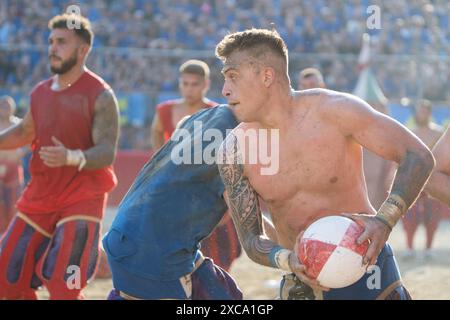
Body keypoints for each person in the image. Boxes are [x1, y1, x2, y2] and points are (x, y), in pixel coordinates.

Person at [215, 28, 434, 300]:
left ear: (267, 76)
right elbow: (251, 240)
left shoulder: (336, 111)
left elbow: (418, 155)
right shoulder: (233, 150)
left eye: (232, 77)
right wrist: (286, 260)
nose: (224, 90)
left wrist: (384, 220)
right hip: (302, 281)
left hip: (369, 269)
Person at [0, 14, 119, 300]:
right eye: (51, 41)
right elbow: (25, 131)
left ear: (83, 50)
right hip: (40, 195)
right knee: (7, 275)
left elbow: (106, 153)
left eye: (62, 42)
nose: (52, 48)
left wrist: (71, 156)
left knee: (62, 280)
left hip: (83, 196)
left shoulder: (101, 95)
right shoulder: (40, 92)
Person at [104, 105, 248, 300]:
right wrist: (285, 257)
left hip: (139, 236)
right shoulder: (220, 141)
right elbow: (249, 229)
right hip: (156, 246)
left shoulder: (197, 122)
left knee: (221, 291)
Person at [150, 59, 241, 272]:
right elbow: (156, 132)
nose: (189, 89)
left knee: (217, 261)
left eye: (194, 84)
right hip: (176, 193)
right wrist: (160, 160)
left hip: (209, 192)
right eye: (185, 83)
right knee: (173, 259)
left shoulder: (218, 113)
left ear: (205, 84)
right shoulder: (165, 110)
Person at [402, 100, 444, 258]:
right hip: (412, 179)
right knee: (409, 216)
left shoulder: (439, 133)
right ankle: (409, 249)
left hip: (433, 180)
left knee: (433, 216)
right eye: (419, 111)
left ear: (429, 113)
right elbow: (402, 156)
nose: (422, 114)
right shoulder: (410, 132)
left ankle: (428, 249)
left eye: (425, 111)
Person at [0, 96, 24, 235]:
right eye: (2, 105)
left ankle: (12, 236)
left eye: (8, 105)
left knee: (14, 203)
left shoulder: (18, 124)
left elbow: (30, 142)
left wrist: (20, 153)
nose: (5, 108)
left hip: (13, 170)